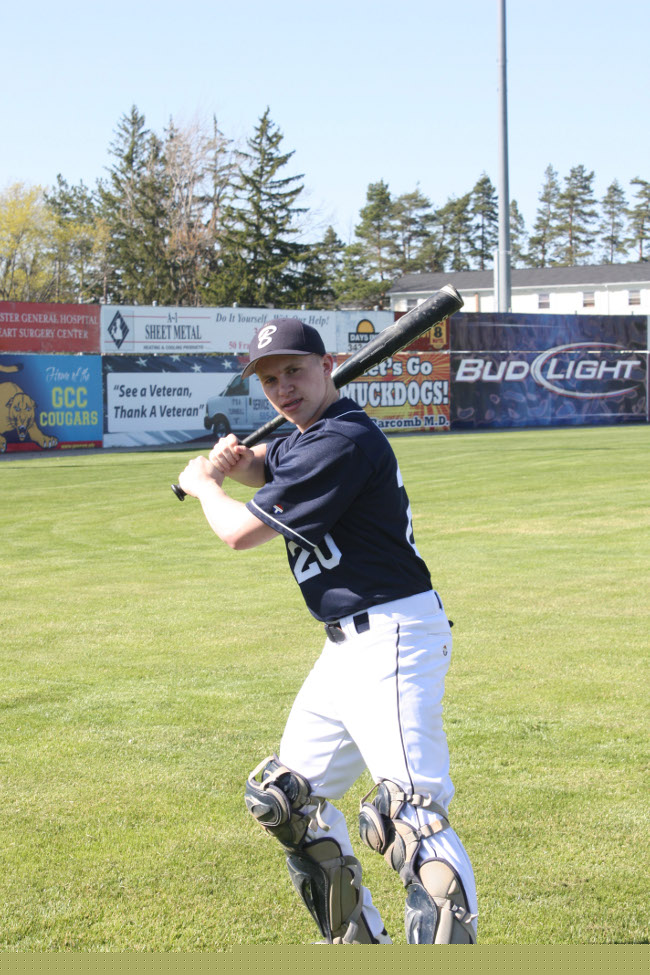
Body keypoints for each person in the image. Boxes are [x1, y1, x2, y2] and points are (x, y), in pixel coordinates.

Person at [177, 317, 478, 945]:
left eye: (294, 371)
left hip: (392, 634)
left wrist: (205, 485)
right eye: (269, 380)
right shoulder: (309, 436)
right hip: (345, 645)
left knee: (410, 817)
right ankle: (358, 943)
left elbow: (238, 533)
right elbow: (269, 466)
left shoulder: (340, 440)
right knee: (287, 801)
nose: (283, 388)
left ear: (328, 365)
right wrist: (238, 462)